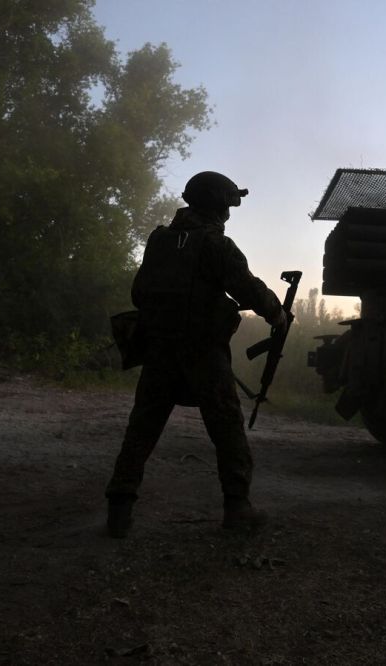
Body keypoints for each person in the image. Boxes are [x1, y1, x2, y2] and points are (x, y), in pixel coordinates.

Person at [104, 171, 287, 538]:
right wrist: (277, 313)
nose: (230, 214)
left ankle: (119, 512)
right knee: (227, 426)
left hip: (159, 349)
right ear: (219, 206)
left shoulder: (159, 241)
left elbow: (139, 294)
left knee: (142, 428)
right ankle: (238, 508)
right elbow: (247, 288)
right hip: (202, 352)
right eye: (229, 206)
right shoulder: (216, 246)